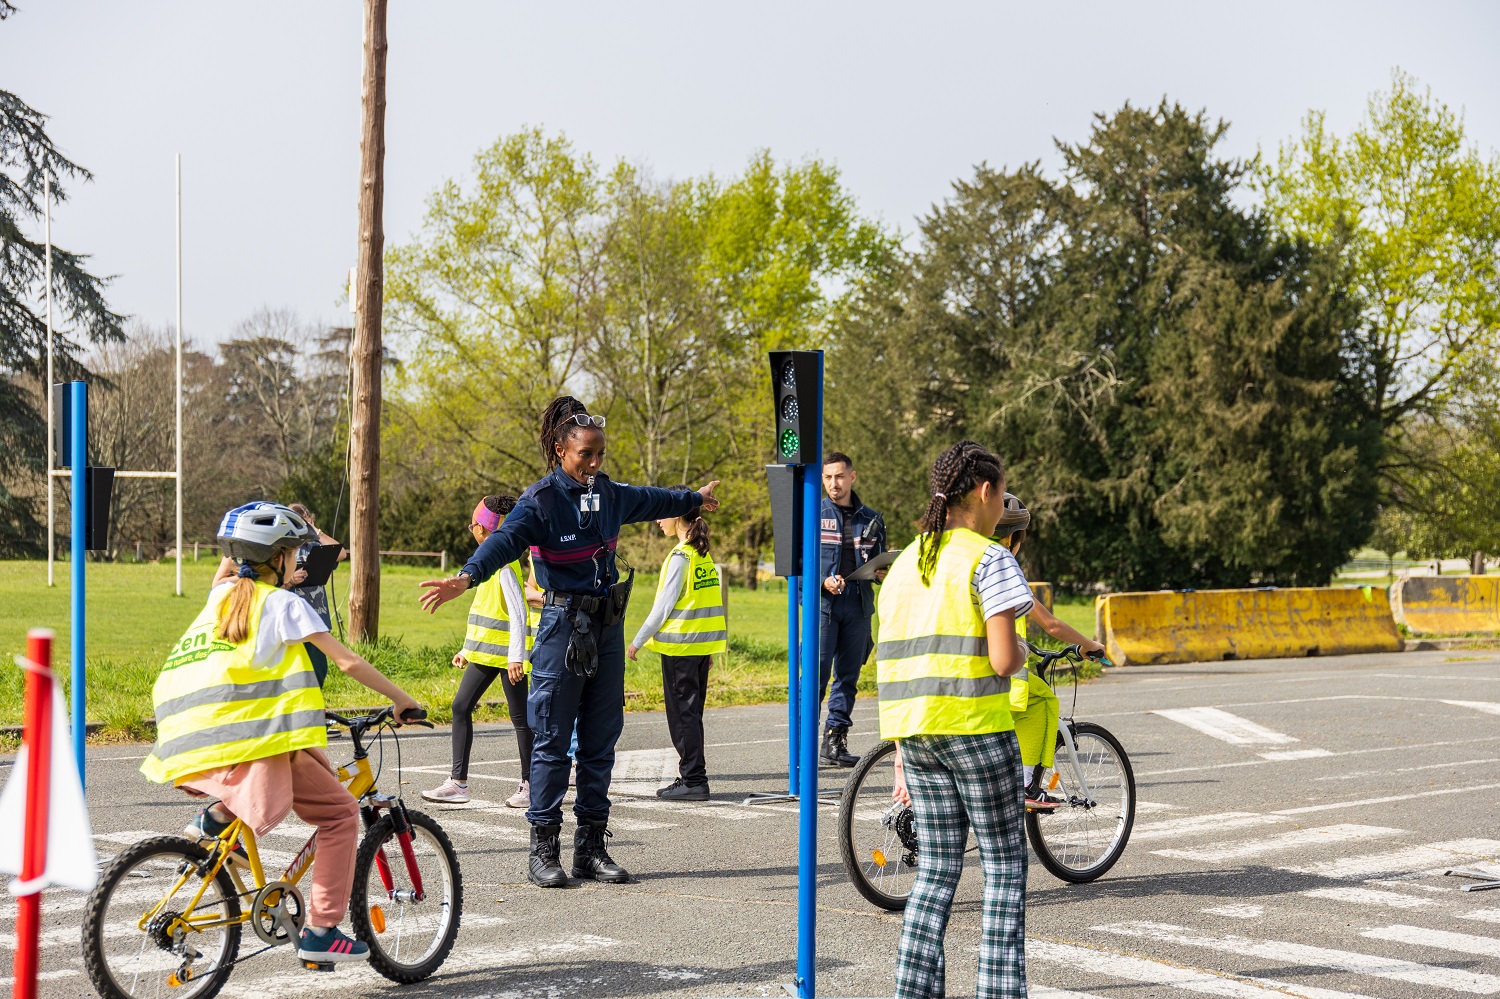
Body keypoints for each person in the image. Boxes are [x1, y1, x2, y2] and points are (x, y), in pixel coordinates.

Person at [419, 396, 720, 888]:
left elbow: (655, 499)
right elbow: (503, 541)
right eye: (586, 454)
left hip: (606, 627)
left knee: (601, 743)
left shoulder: (610, 493)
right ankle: (543, 850)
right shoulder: (540, 500)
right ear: (561, 450)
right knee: (553, 741)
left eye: (601, 454)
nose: (595, 463)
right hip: (562, 625)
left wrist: (692, 499)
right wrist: (465, 577)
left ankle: (591, 849)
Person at [142, 502, 422, 967]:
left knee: (269, 775)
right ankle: (321, 930)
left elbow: (229, 587)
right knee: (338, 815)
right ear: (278, 557)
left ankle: (218, 816)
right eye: (293, 552)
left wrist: (235, 556)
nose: (298, 560)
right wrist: (401, 698)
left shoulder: (220, 598)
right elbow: (347, 661)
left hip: (190, 735)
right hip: (251, 739)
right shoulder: (284, 603)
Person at [878, 441, 1029, 999]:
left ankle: (914, 991)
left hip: (915, 735)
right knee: (1004, 870)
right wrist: (1019, 654)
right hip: (977, 730)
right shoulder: (990, 558)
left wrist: (898, 749)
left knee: (937, 872)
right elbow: (1003, 660)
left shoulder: (905, 563)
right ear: (986, 493)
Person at [994, 492, 1107, 810]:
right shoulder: (1003, 564)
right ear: (1015, 537)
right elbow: (1051, 625)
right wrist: (1090, 646)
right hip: (1001, 673)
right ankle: (1027, 785)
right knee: (1042, 700)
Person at [423, 495, 535, 809]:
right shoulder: (487, 566)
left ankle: (531, 784)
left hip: (506, 659)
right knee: (461, 707)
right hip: (486, 655)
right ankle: (458, 783)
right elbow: (486, 613)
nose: (470, 528)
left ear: (484, 531)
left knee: (521, 718)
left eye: (473, 524)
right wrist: (467, 649)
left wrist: (517, 656)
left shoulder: (504, 565)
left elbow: (518, 613)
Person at [213, 503, 346, 736]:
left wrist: (314, 531)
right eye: (291, 552)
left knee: (315, 667)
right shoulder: (278, 597)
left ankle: (311, 715)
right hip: (284, 609)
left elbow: (340, 552)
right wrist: (288, 581)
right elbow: (349, 662)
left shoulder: (311, 544)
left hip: (313, 610)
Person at [626, 498, 728, 801]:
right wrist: (707, 650)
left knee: (683, 717)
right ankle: (692, 775)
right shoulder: (701, 555)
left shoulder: (681, 556)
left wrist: (637, 640)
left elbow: (663, 607)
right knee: (692, 715)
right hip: (699, 647)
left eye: (662, 514)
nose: (658, 520)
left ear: (676, 515)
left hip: (680, 649)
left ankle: (694, 779)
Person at [818, 451, 886, 767]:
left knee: (848, 676)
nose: (835, 483)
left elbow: (879, 560)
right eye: (829, 477)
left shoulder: (871, 518)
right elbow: (800, 562)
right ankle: (804, 742)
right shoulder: (812, 514)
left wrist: (883, 572)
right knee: (816, 675)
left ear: (852, 477)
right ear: (823, 479)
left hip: (858, 605)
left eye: (840, 476)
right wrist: (823, 581)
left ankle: (835, 741)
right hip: (824, 605)